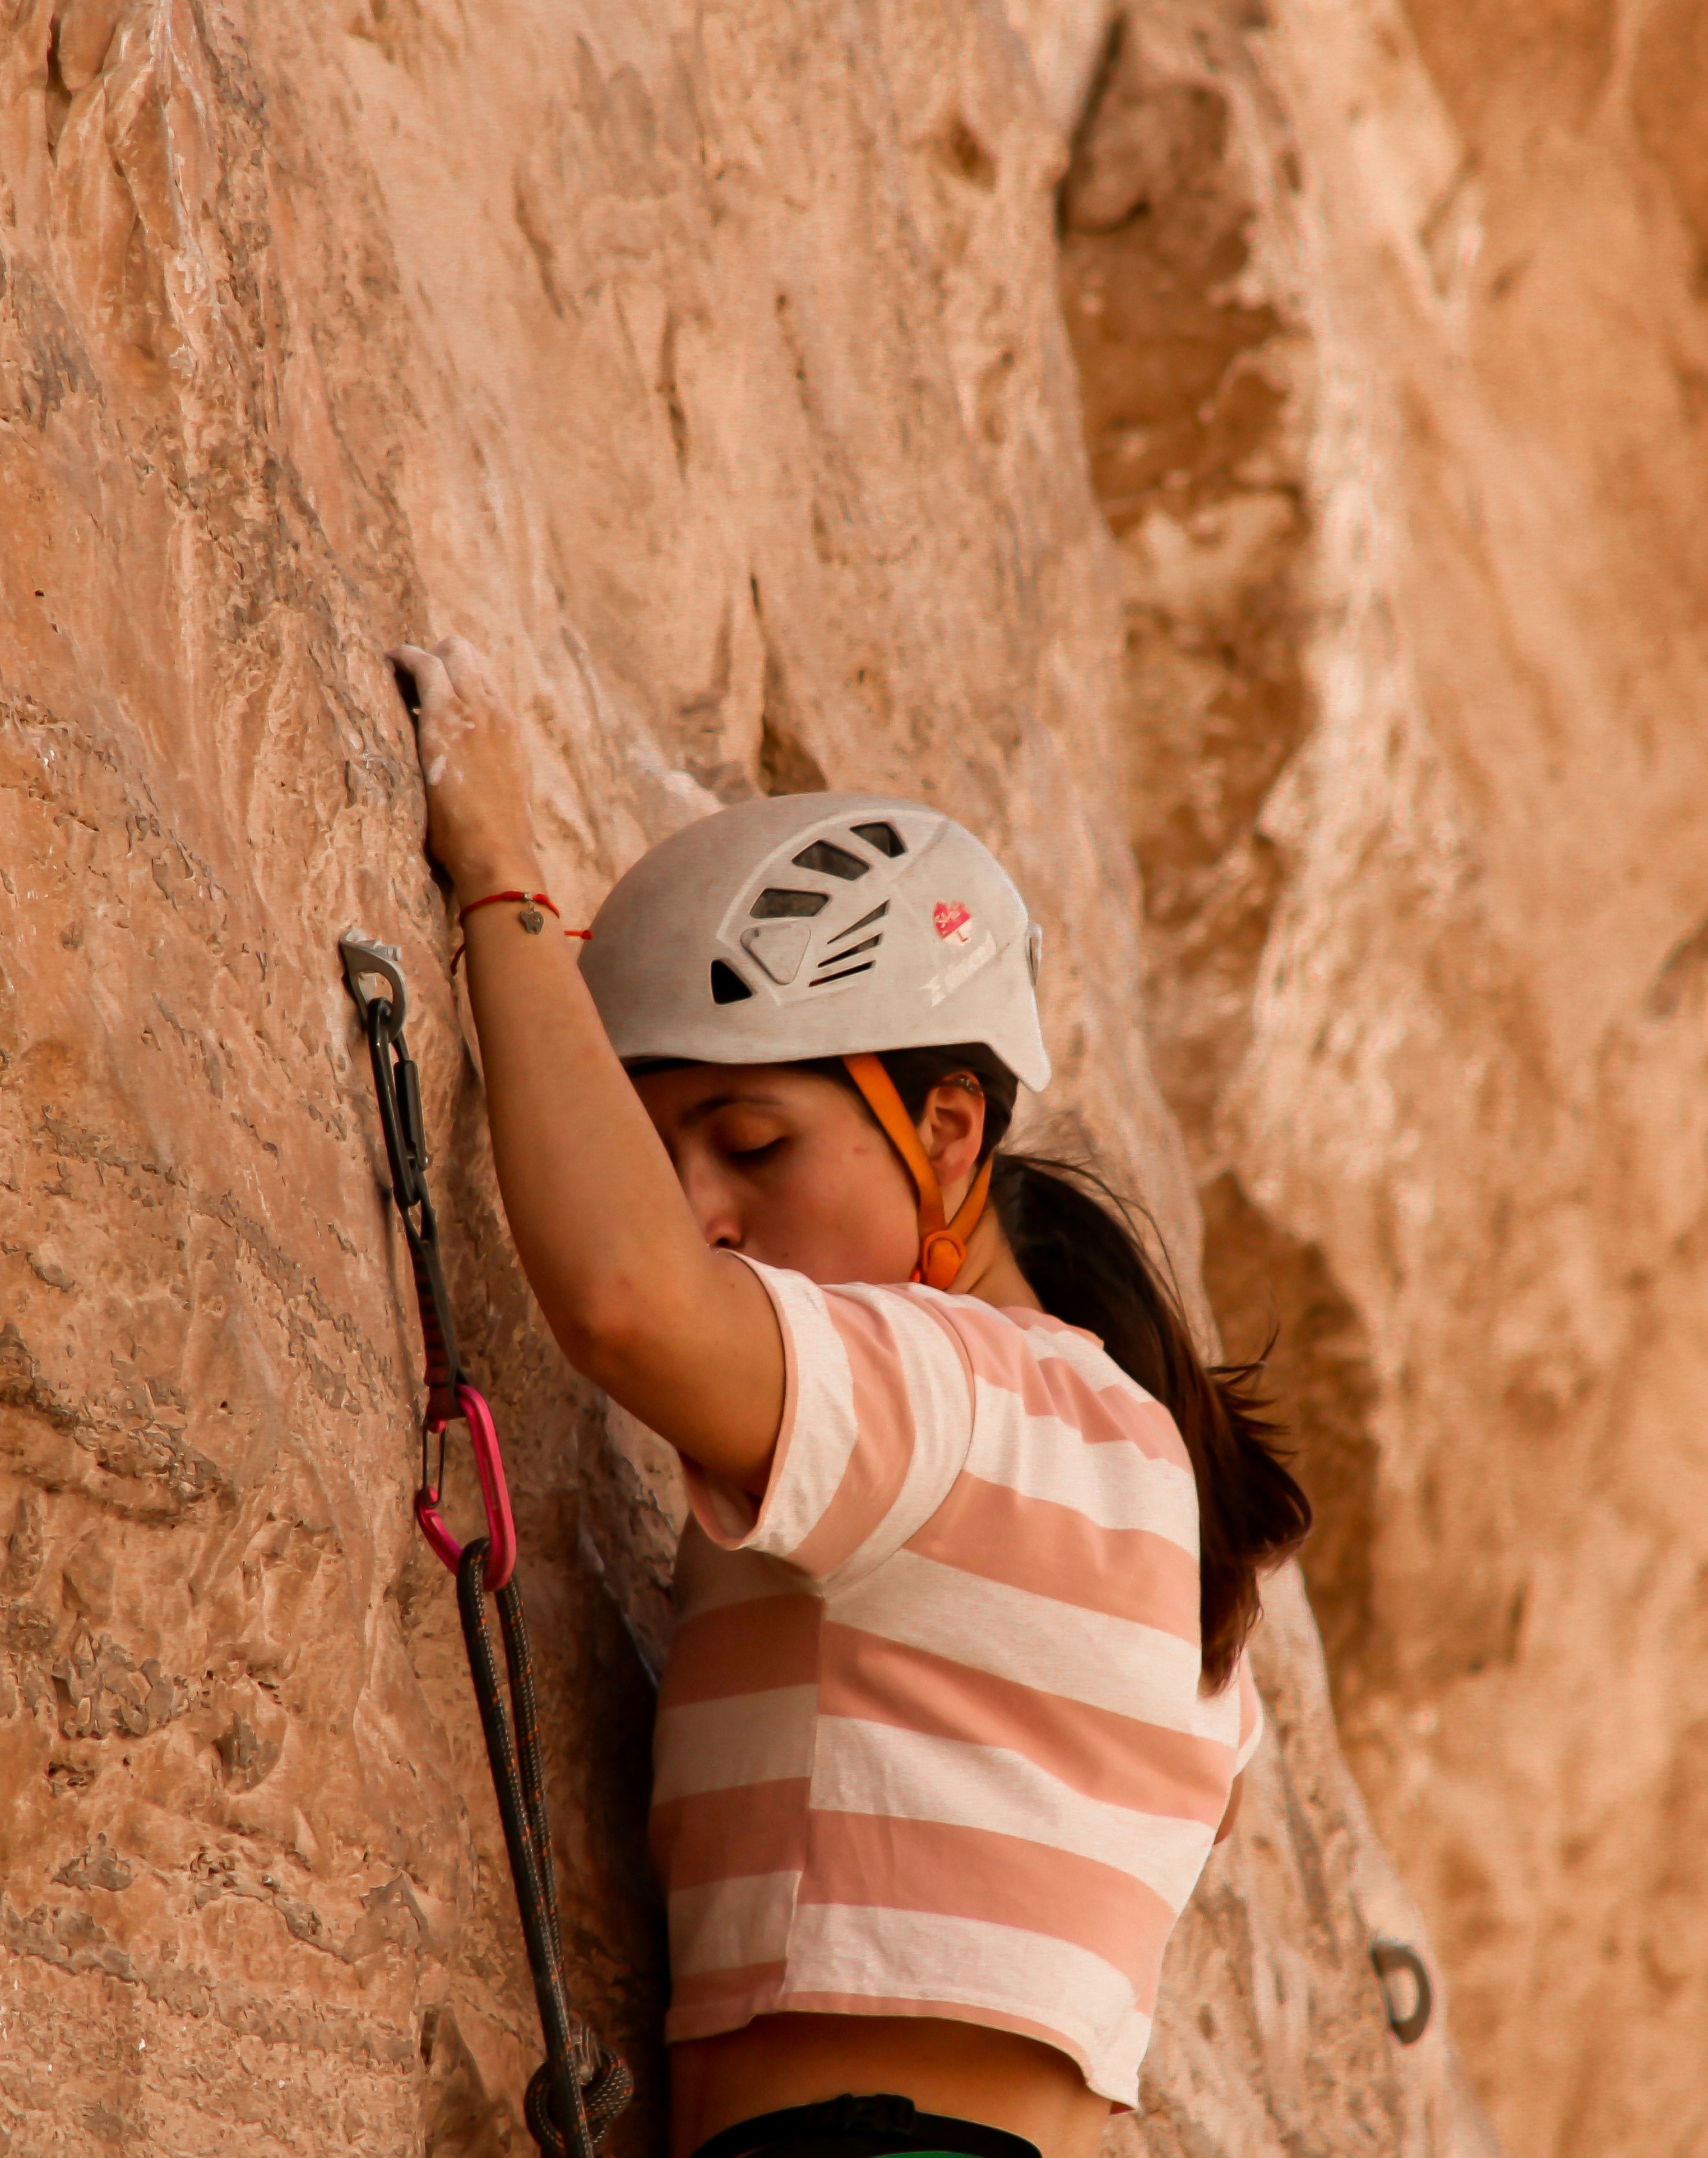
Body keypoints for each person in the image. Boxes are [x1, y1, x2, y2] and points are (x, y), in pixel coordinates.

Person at [395, 638, 1309, 2158]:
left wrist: (499, 878)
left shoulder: (957, 1388)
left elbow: (629, 1303)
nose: (703, 1212)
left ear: (950, 1131)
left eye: (752, 1145)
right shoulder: (1135, 1476)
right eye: (658, 1151)